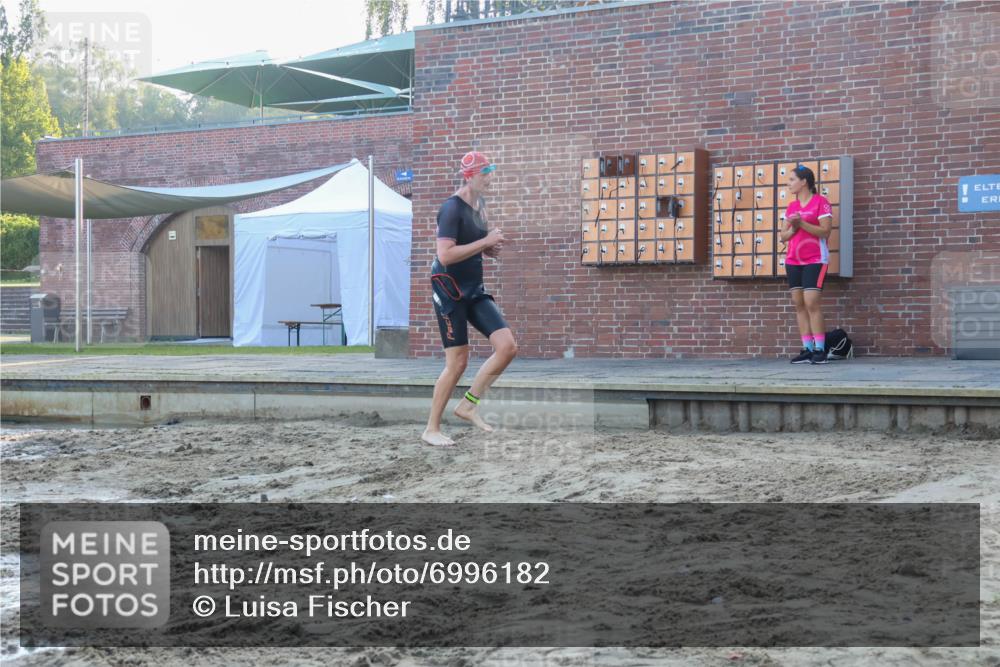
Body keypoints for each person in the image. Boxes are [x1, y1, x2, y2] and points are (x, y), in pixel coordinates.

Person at [421, 151, 518, 447]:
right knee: (457, 362)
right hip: (449, 291)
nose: (490, 178)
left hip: (474, 289)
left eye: (491, 172)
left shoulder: (481, 204)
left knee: (507, 347)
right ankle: (431, 429)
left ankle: (467, 405)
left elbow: (474, 243)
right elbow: (445, 254)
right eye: (485, 173)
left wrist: (489, 248)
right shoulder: (451, 208)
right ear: (470, 175)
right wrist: (484, 242)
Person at [780, 164, 834, 364]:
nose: (789, 184)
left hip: (815, 259)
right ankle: (807, 349)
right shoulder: (792, 206)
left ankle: (820, 350)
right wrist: (794, 228)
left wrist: (801, 223)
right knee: (799, 304)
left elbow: (825, 231)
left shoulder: (821, 202)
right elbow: (783, 236)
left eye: (792, 180)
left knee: (811, 302)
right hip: (793, 260)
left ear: (804, 182)